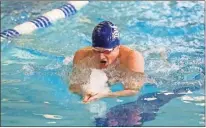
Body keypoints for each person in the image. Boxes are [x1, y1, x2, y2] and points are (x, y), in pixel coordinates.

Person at [69, 21, 144, 103]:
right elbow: (74, 86)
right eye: (96, 51)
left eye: (106, 51)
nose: (101, 57)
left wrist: (104, 94)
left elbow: (133, 90)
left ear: (117, 47)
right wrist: (84, 91)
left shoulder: (132, 58)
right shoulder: (82, 56)